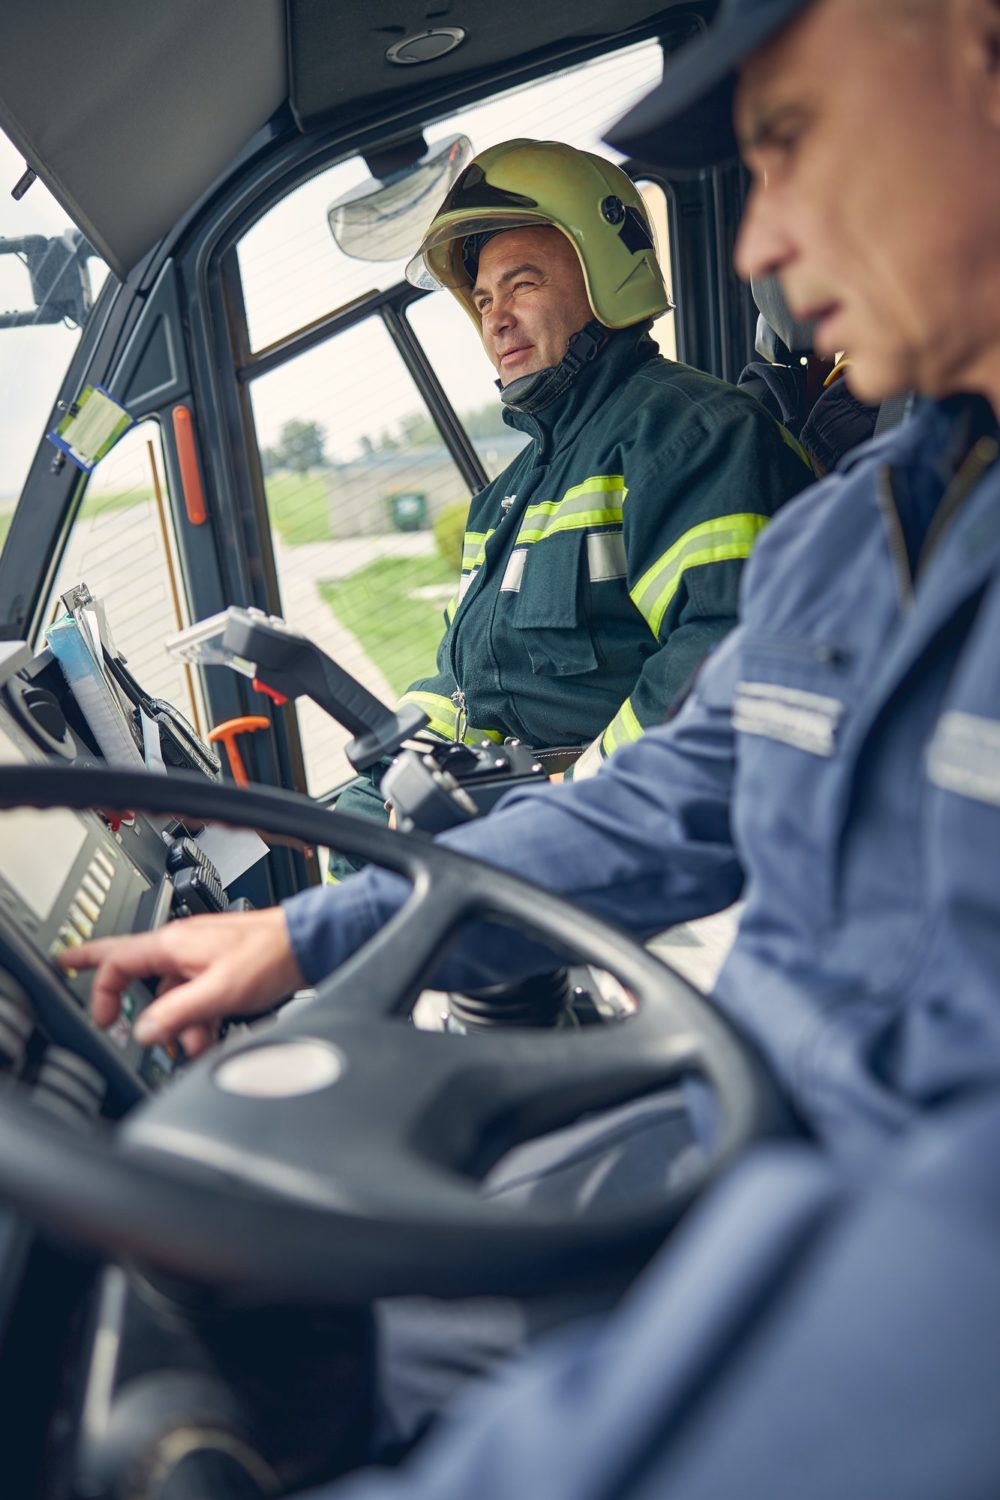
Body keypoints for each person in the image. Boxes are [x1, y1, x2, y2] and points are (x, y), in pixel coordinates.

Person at [66, 0, 1000, 1491]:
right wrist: (311, 937)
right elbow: (674, 796)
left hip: (892, 1269)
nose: (758, 247)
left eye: (791, 138)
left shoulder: (697, 442)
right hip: (728, 1143)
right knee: (264, 1319)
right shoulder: (850, 536)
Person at [326, 138, 810, 877]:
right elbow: (466, 682)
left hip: (619, 838)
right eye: (483, 299)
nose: (495, 319)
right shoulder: (506, 495)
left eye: (522, 285)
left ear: (605, 280)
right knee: (339, 829)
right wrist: (395, 762)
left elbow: (723, 651)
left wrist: (565, 804)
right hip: (519, 812)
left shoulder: (689, 434)